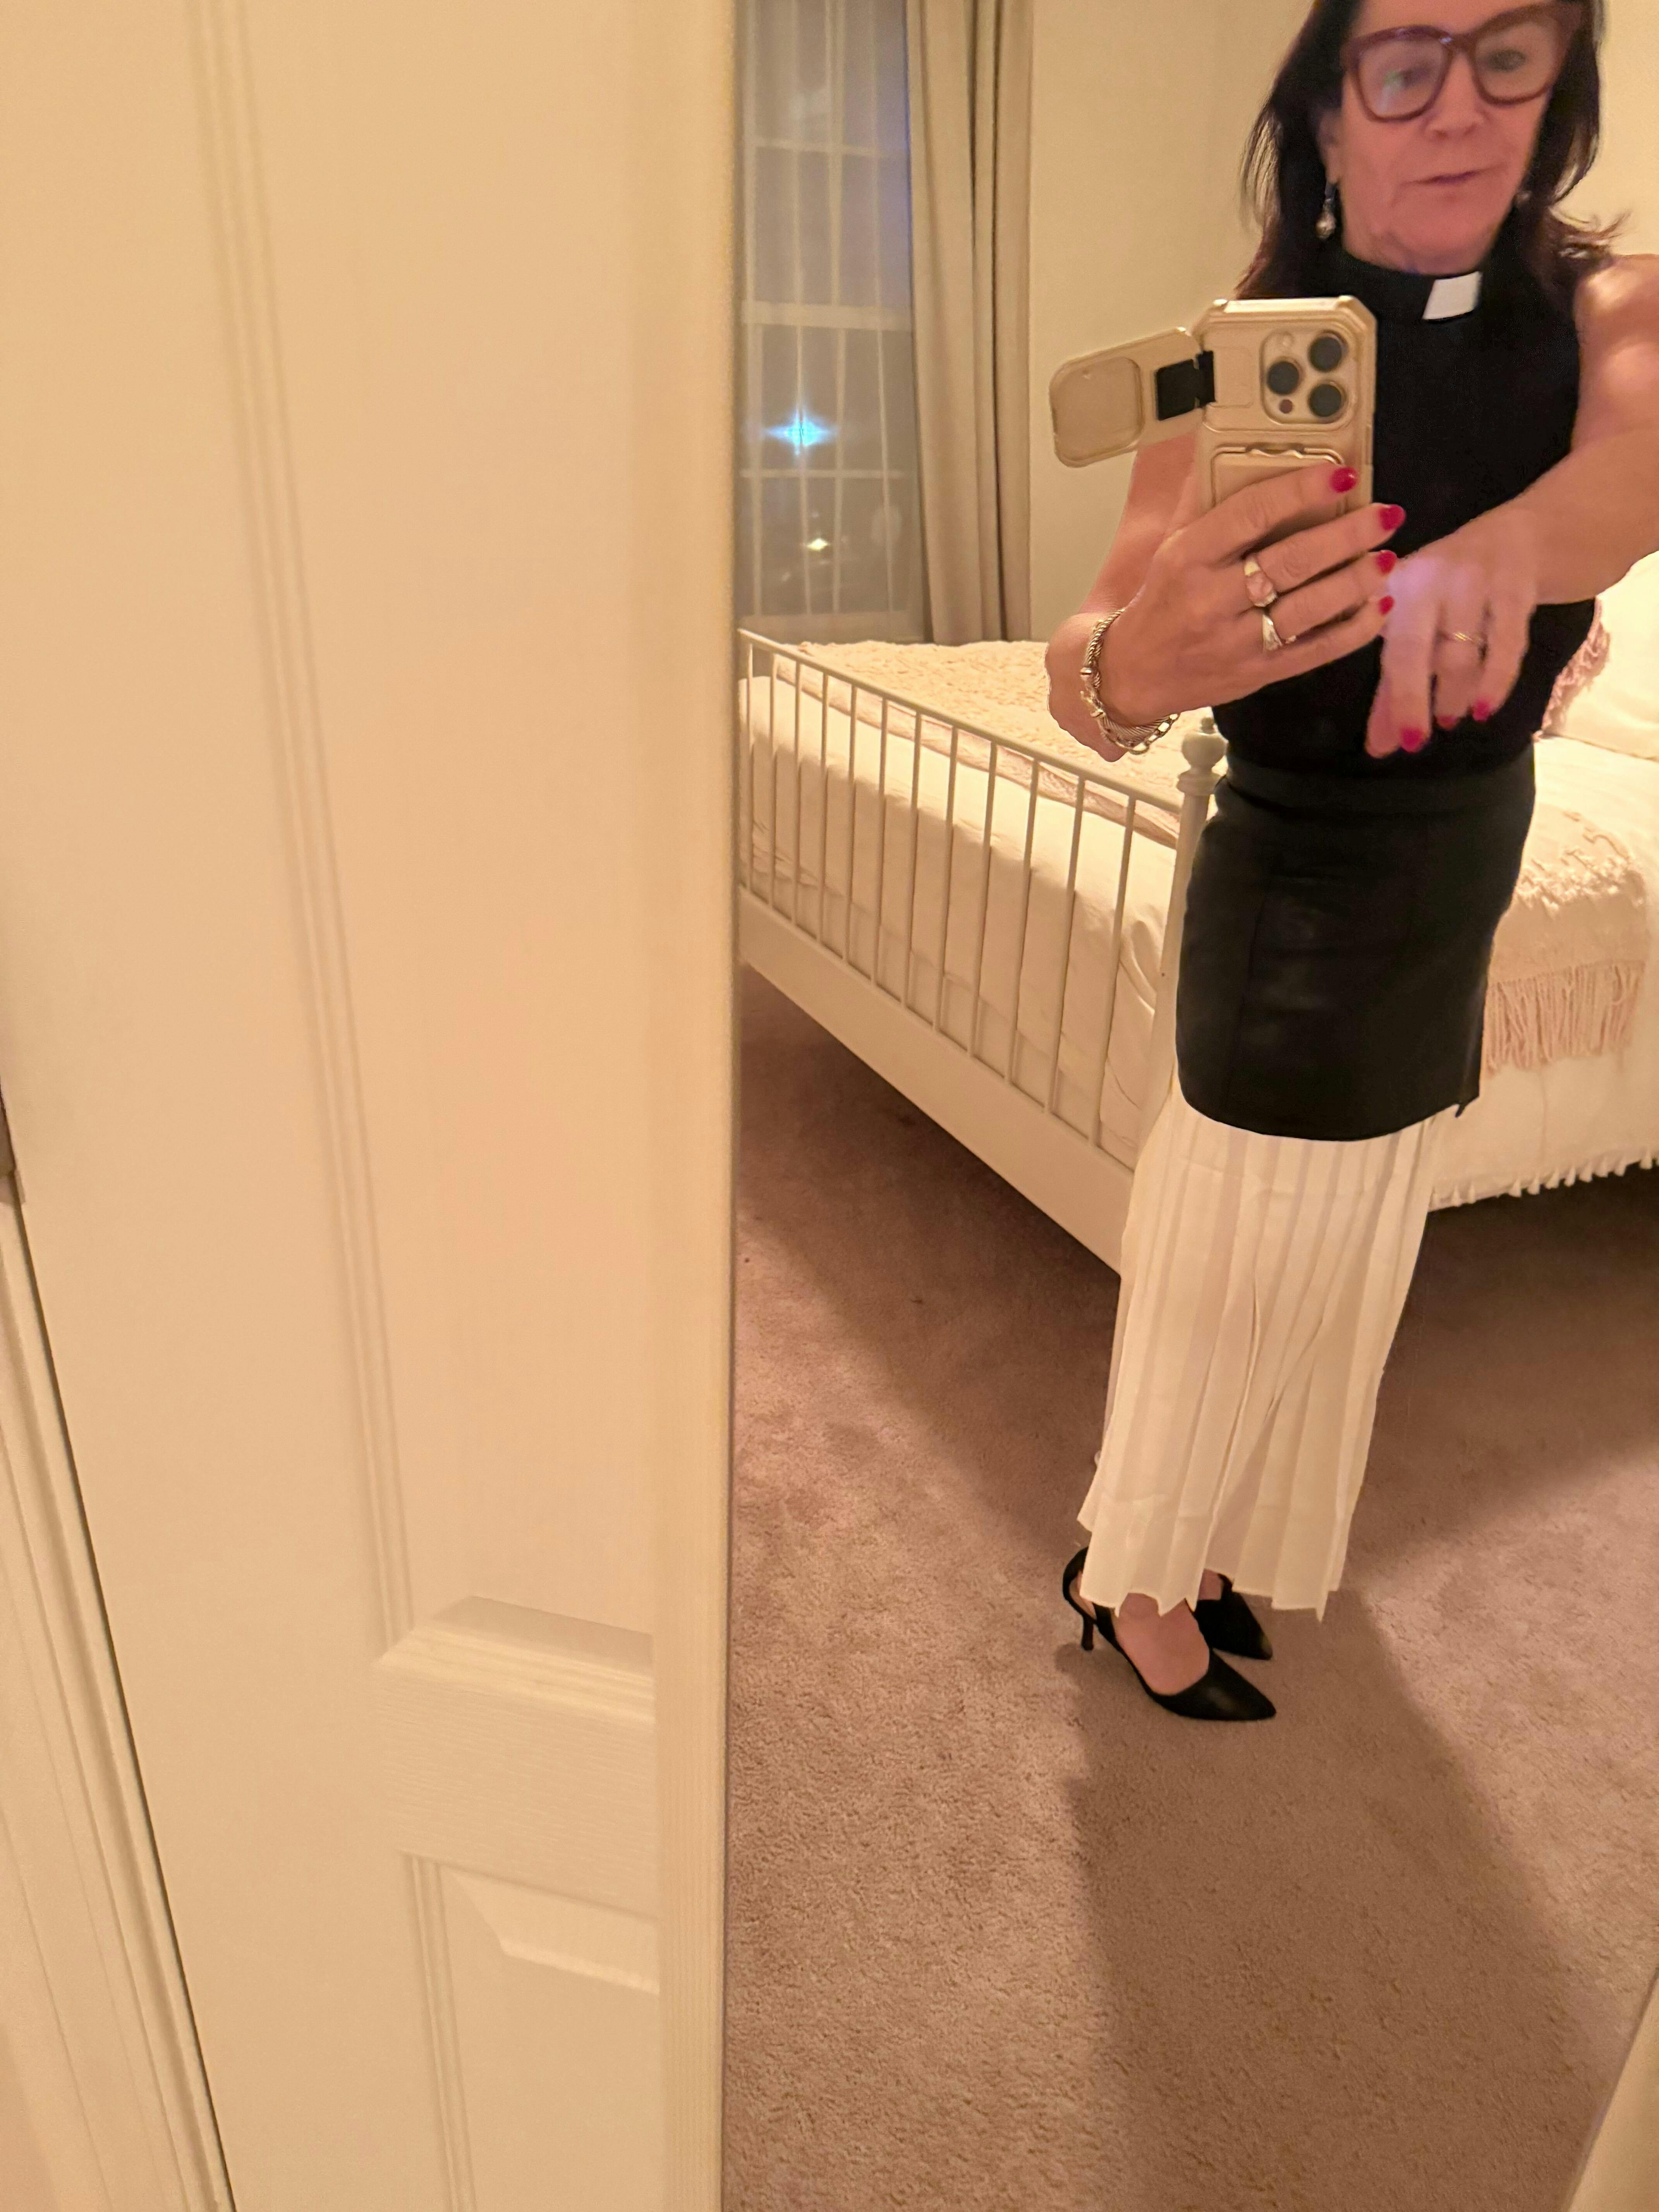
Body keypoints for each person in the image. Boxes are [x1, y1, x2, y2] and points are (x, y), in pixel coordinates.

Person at [1046, 0, 1659, 1720]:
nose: (1457, 105)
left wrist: (1489, 558)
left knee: (1345, 1258)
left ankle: (1210, 1543)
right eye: (1403, 65)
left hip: (1461, 863)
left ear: (1557, 96)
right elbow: (1087, 658)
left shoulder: (1614, 308)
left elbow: (1637, 475)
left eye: (1508, 54)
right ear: (1327, 120)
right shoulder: (1231, 354)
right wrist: (1130, 668)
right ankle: (1128, 1573)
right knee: (1228, 1255)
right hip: (1292, 879)